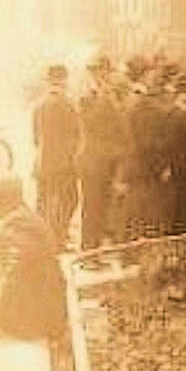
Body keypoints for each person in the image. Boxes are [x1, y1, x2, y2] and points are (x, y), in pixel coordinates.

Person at [0, 149, 66, 371]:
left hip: (24, 329)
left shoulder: (18, 227)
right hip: (29, 321)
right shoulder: (21, 219)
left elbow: (9, 282)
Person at [77, 56, 127, 251]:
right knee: (92, 208)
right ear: (93, 74)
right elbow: (90, 123)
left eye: (107, 72)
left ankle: (97, 248)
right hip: (92, 161)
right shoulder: (87, 98)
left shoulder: (113, 96)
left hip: (109, 161)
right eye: (100, 72)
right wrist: (105, 98)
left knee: (105, 207)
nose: (105, 76)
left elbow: (120, 127)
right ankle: (89, 250)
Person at [32, 65, 81, 249]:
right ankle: (58, 240)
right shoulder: (67, 104)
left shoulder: (39, 104)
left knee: (43, 202)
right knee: (68, 200)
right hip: (63, 163)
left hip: (42, 163)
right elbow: (76, 134)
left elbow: (36, 138)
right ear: (63, 79)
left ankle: (41, 241)